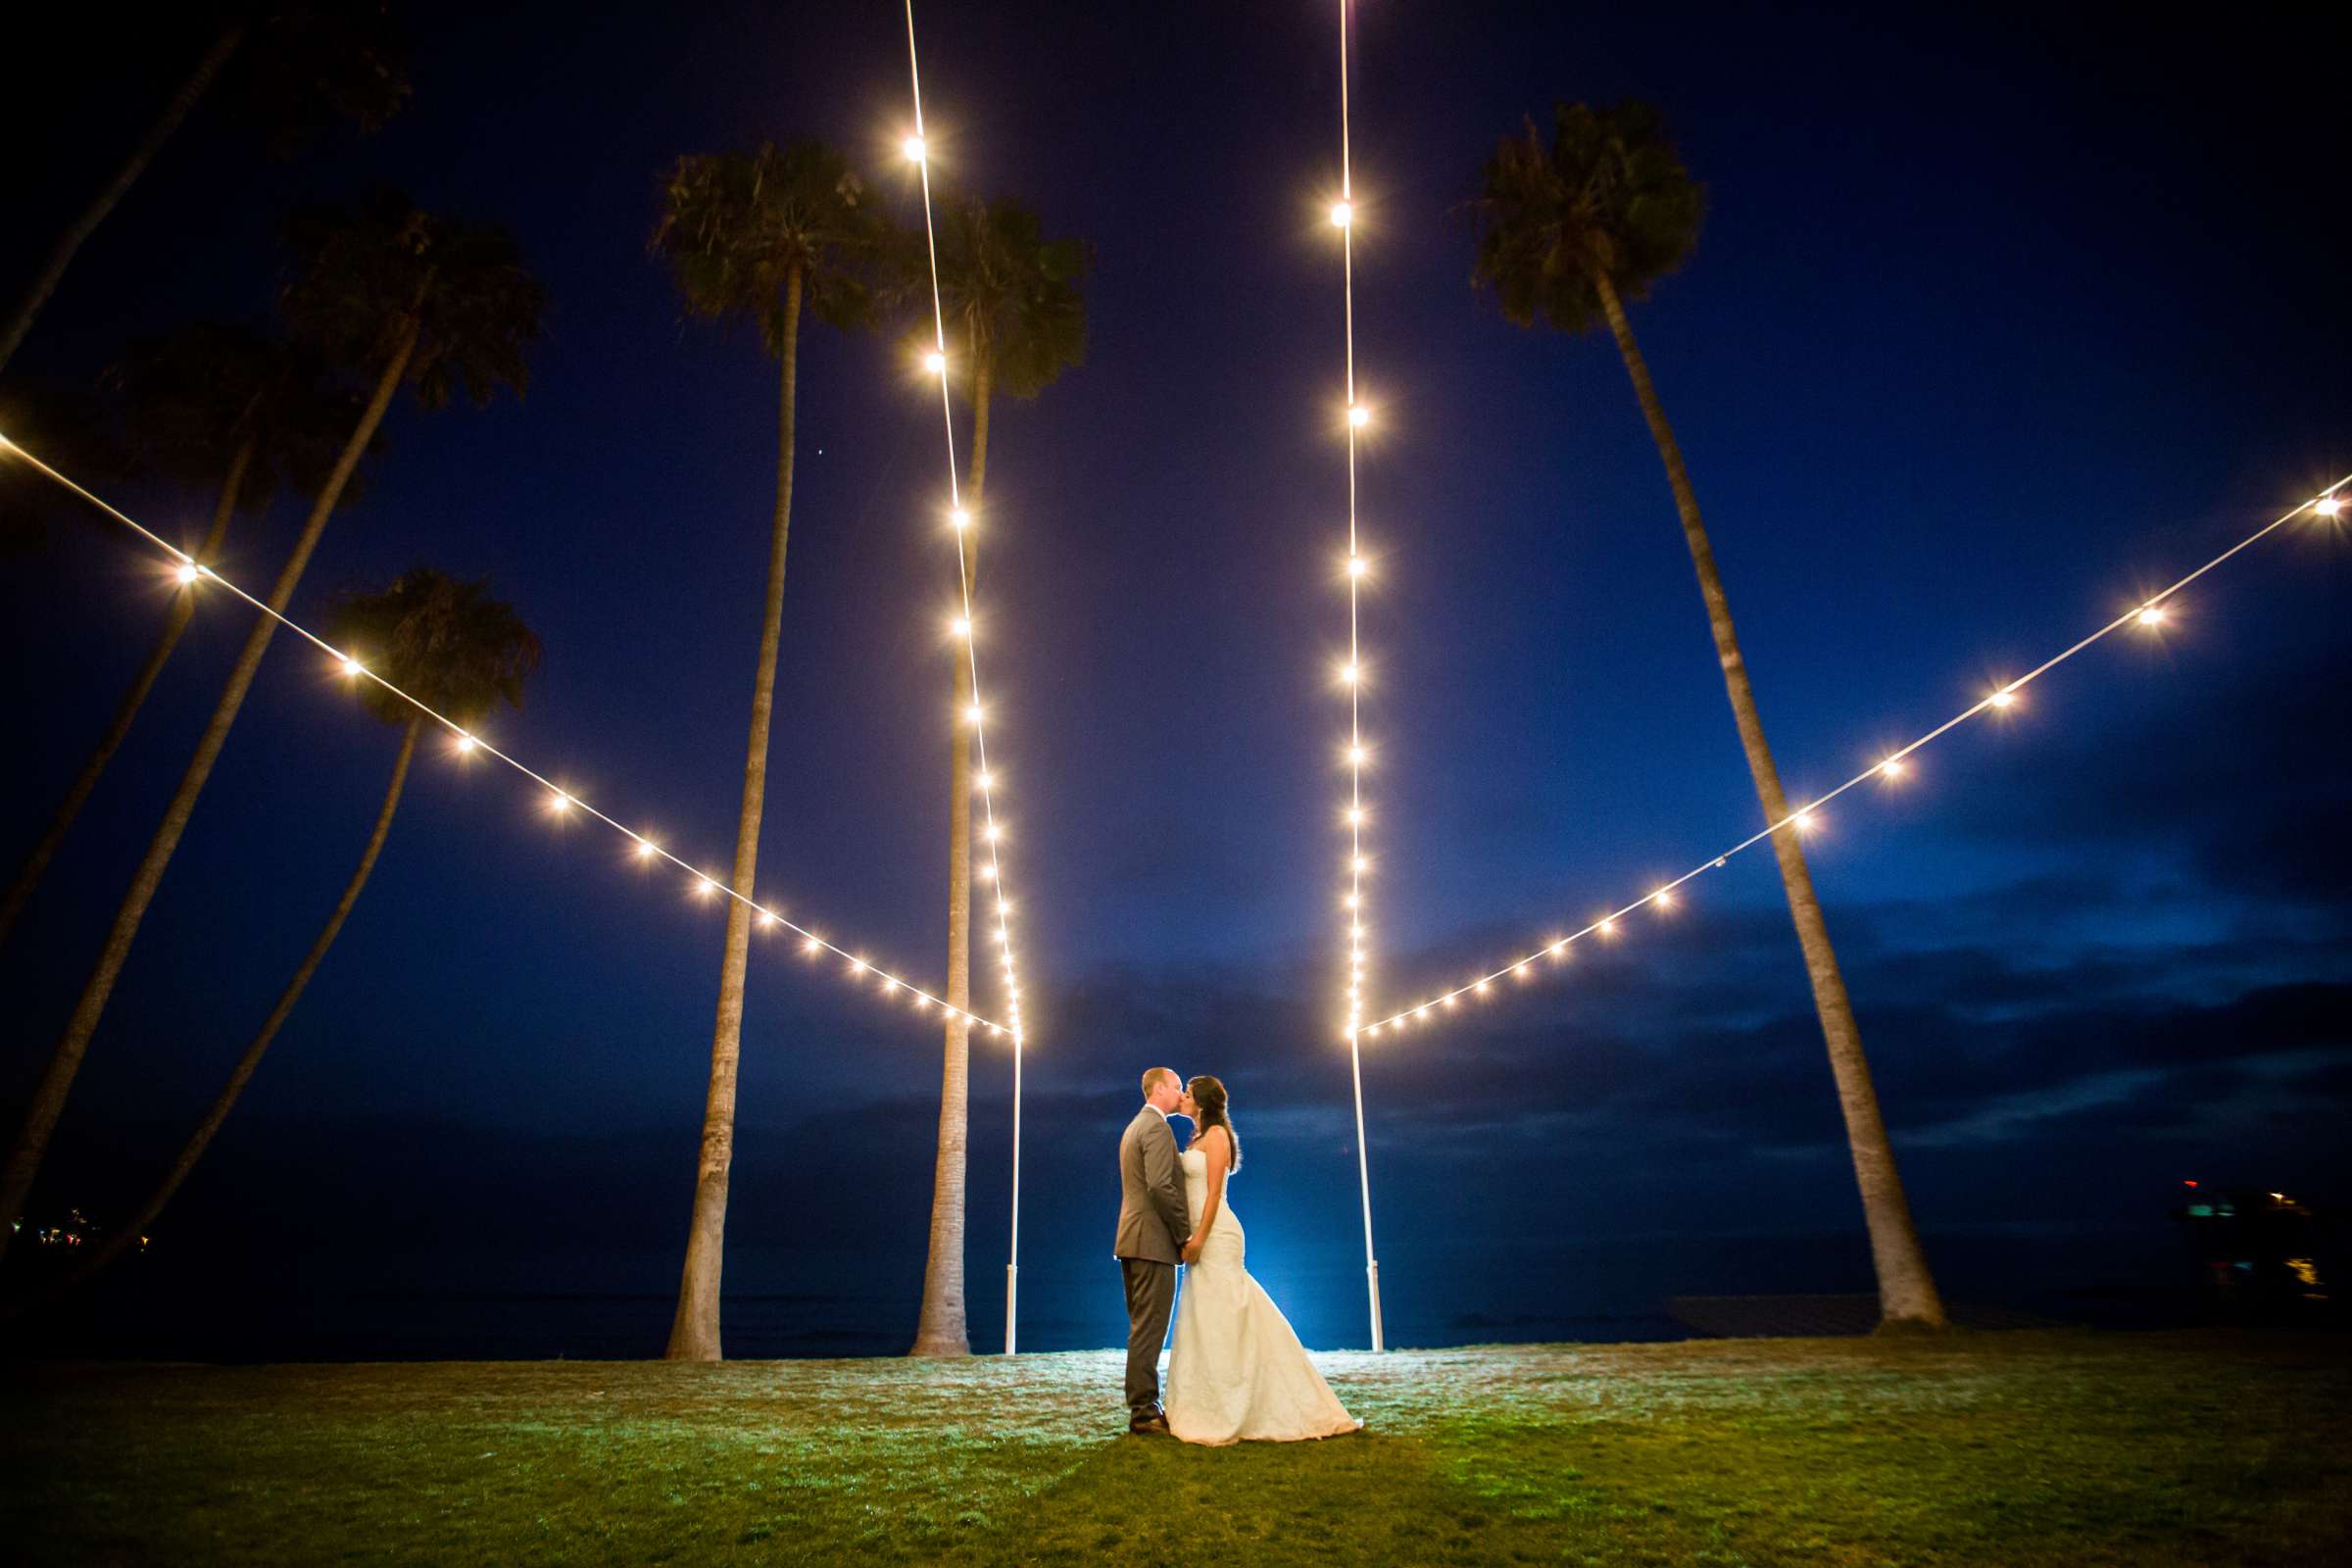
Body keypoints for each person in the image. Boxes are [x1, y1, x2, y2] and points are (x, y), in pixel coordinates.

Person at [1162, 1074, 1362, 1445]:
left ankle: (1245, 1399)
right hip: (1197, 1234)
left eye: (1187, 1094)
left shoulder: (1218, 1136)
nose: (1183, 1098)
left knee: (1226, 1314)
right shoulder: (1194, 1137)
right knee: (1204, 1318)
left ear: (1202, 1103)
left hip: (1217, 1234)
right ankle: (1206, 1400)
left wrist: (1200, 1239)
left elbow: (1212, 1195)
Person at [1113, 1065, 1191, 1435]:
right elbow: (1161, 1187)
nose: (1181, 1094)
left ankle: (1143, 1405)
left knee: (1141, 1326)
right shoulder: (1157, 1127)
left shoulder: (1133, 1127)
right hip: (1153, 1243)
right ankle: (1143, 1411)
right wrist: (1183, 1234)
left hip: (1132, 1239)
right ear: (1159, 1088)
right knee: (1150, 1328)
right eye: (1178, 1087)